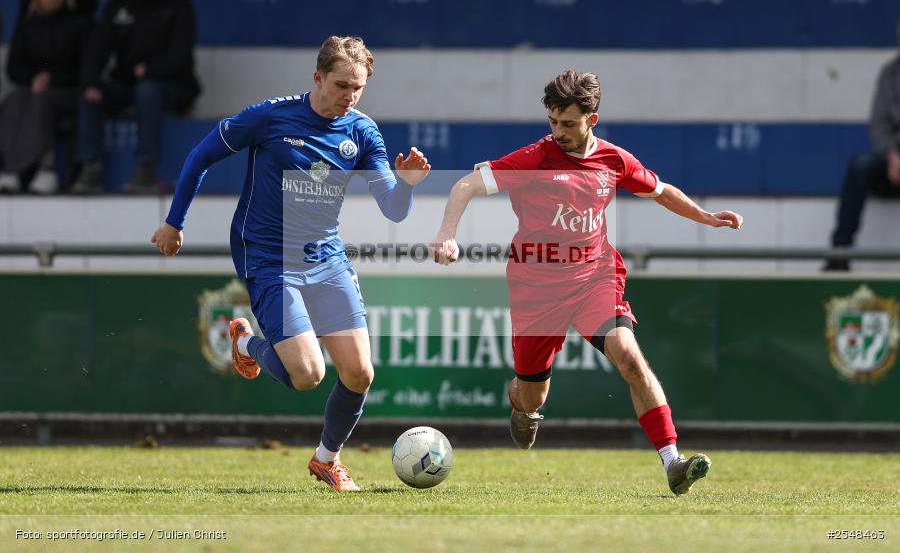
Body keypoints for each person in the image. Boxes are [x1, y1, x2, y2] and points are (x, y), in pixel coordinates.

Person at [430, 70, 743, 496]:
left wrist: (705, 217)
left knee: (629, 357)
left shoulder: (613, 160)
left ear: (592, 120)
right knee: (532, 397)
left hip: (594, 277)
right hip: (536, 289)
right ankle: (520, 403)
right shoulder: (533, 159)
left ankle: (673, 461)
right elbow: (466, 184)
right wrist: (447, 234)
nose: (558, 132)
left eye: (569, 124)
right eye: (553, 122)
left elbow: (660, 190)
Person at [151, 36, 430, 492]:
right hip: (267, 255)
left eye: (358, 88)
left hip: (325, 257)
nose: (350, 96)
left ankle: (327, 460)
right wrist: (173, 222)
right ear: (317, 78)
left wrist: (408, 184)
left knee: (360, 373)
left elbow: (394, 208)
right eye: (342, 85)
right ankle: (247, 346)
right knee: (307, 375)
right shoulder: (269, 116)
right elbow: (201, 156)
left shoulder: (362, 131)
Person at [71, 0, 200, 194]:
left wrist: (149, 70)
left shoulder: (177, 3)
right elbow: (97, 49)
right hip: (128, 85)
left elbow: (181, 53)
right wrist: (90, 82)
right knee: (88, 92)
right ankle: (90, 166)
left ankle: (145, 168)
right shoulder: (117, 6)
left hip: (173, 86)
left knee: (148, 89)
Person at [0, 0, 96, 194]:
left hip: (68, 90)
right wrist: (32, 80)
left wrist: (51, 80)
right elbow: (13, 67)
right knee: (14, 100)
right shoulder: (27, 24)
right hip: (33, 88)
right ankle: (10, 170)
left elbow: (86, 67)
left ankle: (47, 168)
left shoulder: (80, 23)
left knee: (42, 101)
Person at [825, 20, 900, 271]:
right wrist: (891, 155)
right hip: (893, 162)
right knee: (860, 164)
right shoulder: (891, 73)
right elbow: (879, 124)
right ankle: (839, 254)